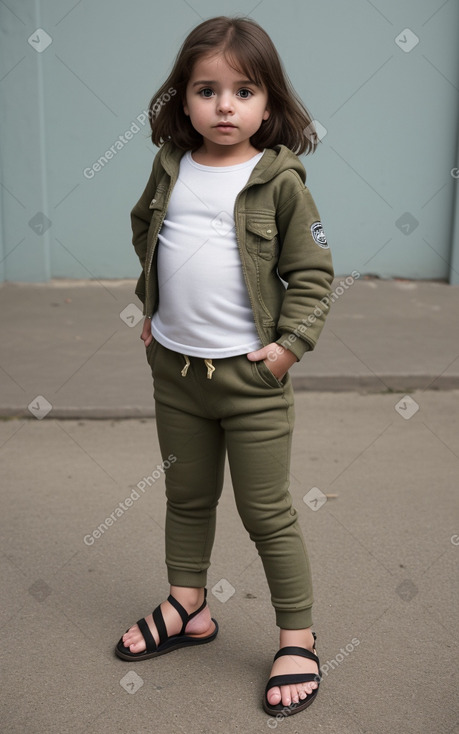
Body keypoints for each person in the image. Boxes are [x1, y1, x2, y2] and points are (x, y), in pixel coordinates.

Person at [115, 15, 334, 718]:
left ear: (268, 103)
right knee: (187, 498)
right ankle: (188, 607)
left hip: (251, 382)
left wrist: (286, 349)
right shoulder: (170, 167)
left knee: (265, 511)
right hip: (175, 373)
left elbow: (313, 275)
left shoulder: (281, 182)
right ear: (183, 99)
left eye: (243, 91)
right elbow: (146, 228)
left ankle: (296, 637)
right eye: (206, 90)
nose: (224, 106)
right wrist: (152, 306)